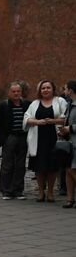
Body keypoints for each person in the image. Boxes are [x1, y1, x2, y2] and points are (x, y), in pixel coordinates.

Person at [24, 80, 68, 202]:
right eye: (43, 88)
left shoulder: (60, 101)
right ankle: (40, 192)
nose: (45, 90)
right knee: (39, 166)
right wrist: (37, 122)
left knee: (52, 166)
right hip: (38, 138)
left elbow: (66, 118)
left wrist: (53, 121)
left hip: (53, 137)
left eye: (48, 88)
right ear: (40, 90)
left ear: (53, 89)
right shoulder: (35, 103)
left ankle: (50, 192)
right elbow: (26, 118)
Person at [0, 82, 30, 199]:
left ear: (21, 92)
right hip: (10, 137)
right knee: (7, 165)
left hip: (22, 137)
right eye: (13, 91)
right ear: (9, 93)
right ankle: (6, 190)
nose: (16, 93)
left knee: (20, 165)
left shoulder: (27, 104)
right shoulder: (3, 105)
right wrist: (3, 139)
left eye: (18, 91)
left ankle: (18, 190)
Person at [61, 80, 76, 208]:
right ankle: (70, 199)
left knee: (72, 169)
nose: (64, 91)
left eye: (65, 89)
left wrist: (69, 129)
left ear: (70, 91)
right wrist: (63, 131)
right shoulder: (69, 104)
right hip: (69, 142)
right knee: (68, 170)